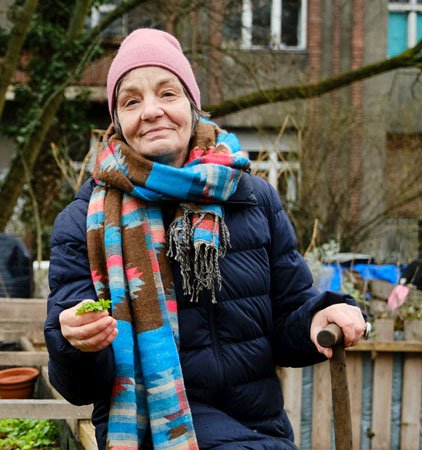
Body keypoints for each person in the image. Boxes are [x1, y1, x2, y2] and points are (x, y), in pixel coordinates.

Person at [43, 28, 368, 450]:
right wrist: (74, 344)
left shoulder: (250, 198)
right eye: (132, 101)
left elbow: (287, 319)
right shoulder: (83, 223)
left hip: (259, 430)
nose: (152, 111)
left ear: (192, 105)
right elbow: (79, 387)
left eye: (168, 93)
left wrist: (319, 317)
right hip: (149, 435)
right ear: (117, 121)